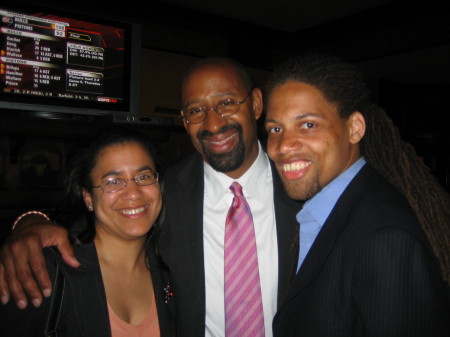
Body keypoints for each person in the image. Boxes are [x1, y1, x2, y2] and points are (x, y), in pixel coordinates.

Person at [0, 57, 300, 337]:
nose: (213, 123)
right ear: (184, 120)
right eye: (196, 110)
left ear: (257, 103)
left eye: (227, 103)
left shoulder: (307, 187)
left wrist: (28, 221)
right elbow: (99, 220)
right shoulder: (167, 192)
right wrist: (28, 223)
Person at [263, 53, 450, 336]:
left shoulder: (385, 238)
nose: (283, 145)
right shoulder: (321, 211)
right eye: (276, 129)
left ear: (354, 128)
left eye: (308, 124)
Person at [0, 126, 175, 336]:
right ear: (88, 197)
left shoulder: (172, 266)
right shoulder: (42, 270)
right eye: (113, 181)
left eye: (144, 176)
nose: (133, 193)